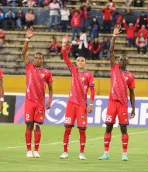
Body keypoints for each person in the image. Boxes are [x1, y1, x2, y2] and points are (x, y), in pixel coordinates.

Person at [98, 26, 135, 161]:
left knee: (123, 129)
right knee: (108, 127)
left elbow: (132, 93)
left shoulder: (130, 76)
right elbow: (111, 50)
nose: (122, 61)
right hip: (112, 103)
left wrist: (134, 108)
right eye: (120, 60)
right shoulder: (114, 68)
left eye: (124, 60)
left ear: (127, 62)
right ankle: (106, 153)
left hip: (123, 105)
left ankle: (124, 154)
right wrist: (114, 36)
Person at [59, 35, 95, 160]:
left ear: (85, 63)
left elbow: (92, 90)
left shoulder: (89, 74)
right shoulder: (73, 70)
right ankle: (65, 152)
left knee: (82, 130)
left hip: (82, 105)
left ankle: (81, 152)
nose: (80, 62)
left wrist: (91, 104)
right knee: (67, 128)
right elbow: (64, 56)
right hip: (71, 104)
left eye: (82, 61)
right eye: (78, 60)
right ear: (76, 62)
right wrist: (64, 45)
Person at [21, 28, 53, 158]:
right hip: (29, 101)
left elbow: (50, 89)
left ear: (43, 60)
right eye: (36, 58)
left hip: (40, 103)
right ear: (33, 59)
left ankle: (36, 150)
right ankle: (29, 150)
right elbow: (23, 52)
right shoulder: (29, 67)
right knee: (29, 125)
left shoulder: (47, 72)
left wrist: (50, 101)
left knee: (38, 126)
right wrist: (27, 39)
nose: (37, 60)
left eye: (40, 58)